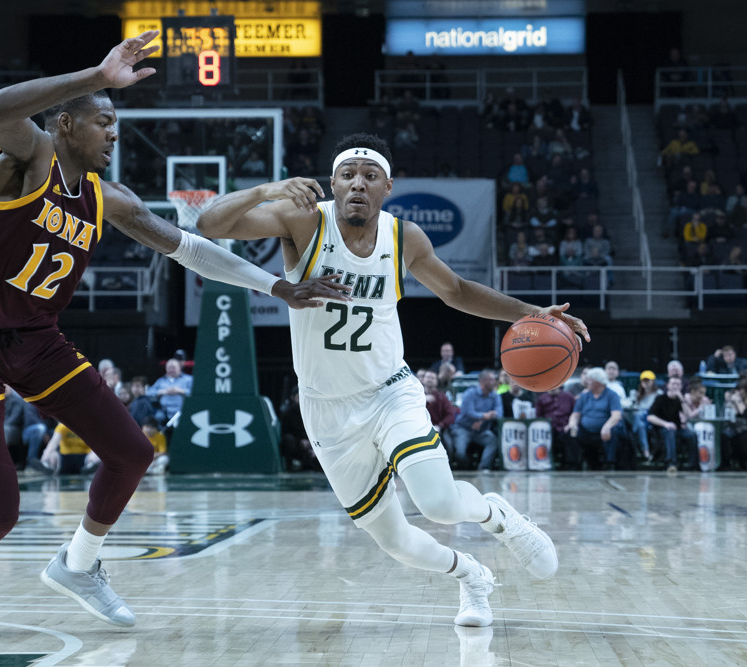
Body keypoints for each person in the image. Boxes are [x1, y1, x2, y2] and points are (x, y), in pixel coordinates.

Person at [0, 31, 350, 639]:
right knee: (1, 507)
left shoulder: (109, 199)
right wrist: (95, 76)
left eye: (116, 124)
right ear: (66, 125)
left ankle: (79, 563)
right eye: (104, 121)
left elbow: (190, 248)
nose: (114, 133)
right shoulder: (20, 162)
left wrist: (275, 288)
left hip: (37, 337)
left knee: (133, 452)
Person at [197, 131, 590, 627]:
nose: (357, 184)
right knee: (395, 541)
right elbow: (208, 223)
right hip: (326, 408)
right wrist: (264, 190)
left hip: (390, 393)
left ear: (387, 188)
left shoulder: (403, 238)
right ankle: (471, 576)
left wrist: (533, 312)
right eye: (347, 175)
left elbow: (458, 290)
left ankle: (499, 517)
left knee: (441, 504)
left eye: (369, 176)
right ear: (332, 185)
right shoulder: (301, 220)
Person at [565, 367, 623, 470]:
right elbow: (575, 414)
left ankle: (610, 463)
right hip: (586, 430)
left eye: (590, 379)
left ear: (598, 382)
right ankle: (575, 464)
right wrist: (572, 423)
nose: (587, 382)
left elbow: (616, 415)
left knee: (613, 431)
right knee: (570, 432)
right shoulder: (584, 396)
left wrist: (607, 426)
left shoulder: (612, 395)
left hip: (604, 429)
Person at [450, 370, 503, 471]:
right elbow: (467, 412)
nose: (494, 382)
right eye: (491, 380)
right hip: (463, 428)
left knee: (493, 442)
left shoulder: (495, 396)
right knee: (460, 453)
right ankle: (468, 466)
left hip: (481, 430)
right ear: (483, 381)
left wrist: (482, 420)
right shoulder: (469, 394)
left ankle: (483, 468)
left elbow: (499, 414)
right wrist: (485, 416)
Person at [646, 377, 698, 473]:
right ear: (668, 385)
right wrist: (666, 424)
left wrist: (682, 399)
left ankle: (693, 465)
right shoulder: (660, 398)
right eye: (673, 383)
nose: (675, 386)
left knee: (691, 435)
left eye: (678, 384)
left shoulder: (679, 400)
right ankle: (671, 463)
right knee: (670, 431)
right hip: (662, 429)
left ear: (681, 387)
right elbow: (650, 417)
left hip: (677, 428)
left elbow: (689, 415)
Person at [278, 385, 320, 471]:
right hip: (296, 444)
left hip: (311, 444)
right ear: (293, 397)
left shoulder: (312, 412)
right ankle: (291, 464)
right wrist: (300, 441)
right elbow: (284, 433)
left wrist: (312, 444)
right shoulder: (287, 413)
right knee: (288, 441)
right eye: (298, 396)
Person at [534, 386, 575, 468]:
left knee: (570, 434)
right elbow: (538, 415)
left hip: (565, 426)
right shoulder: (542, 398)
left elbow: (574, 412)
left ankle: (569, 464)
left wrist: (570, 424)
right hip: (547, 428)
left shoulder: (568, 396)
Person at [421, 370, 458, 456]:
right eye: (428, 377)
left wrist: (440, 425)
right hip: (420, 428)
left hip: (438, 429)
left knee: (449, 445)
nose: (430, 379)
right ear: (423, 380)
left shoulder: (442, 397)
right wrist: (423, 398)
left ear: (436, 382)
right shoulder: (417, 396)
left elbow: (450, 415)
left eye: (432, 378)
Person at [146, 358, 193, 425]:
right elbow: (148, 393)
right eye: (168, 367)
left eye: (173, 367)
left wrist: (180, 391)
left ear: (179, 368)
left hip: (182, 411)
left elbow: (196, 393)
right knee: (156, 419)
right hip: (163, 411)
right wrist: (162, 391)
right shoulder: (161, 381)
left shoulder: (188, 379)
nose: (170, 369)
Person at [630, 371, 662, 461]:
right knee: (639, 422)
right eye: (644, 381)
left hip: (653, 420)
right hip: (641, 422)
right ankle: (646, 449)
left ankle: (634, 433)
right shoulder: (638, 394)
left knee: (639, 415)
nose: (646, 383)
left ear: (653, 381)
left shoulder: (658, 393)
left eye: (648, 381)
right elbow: (633, 407)